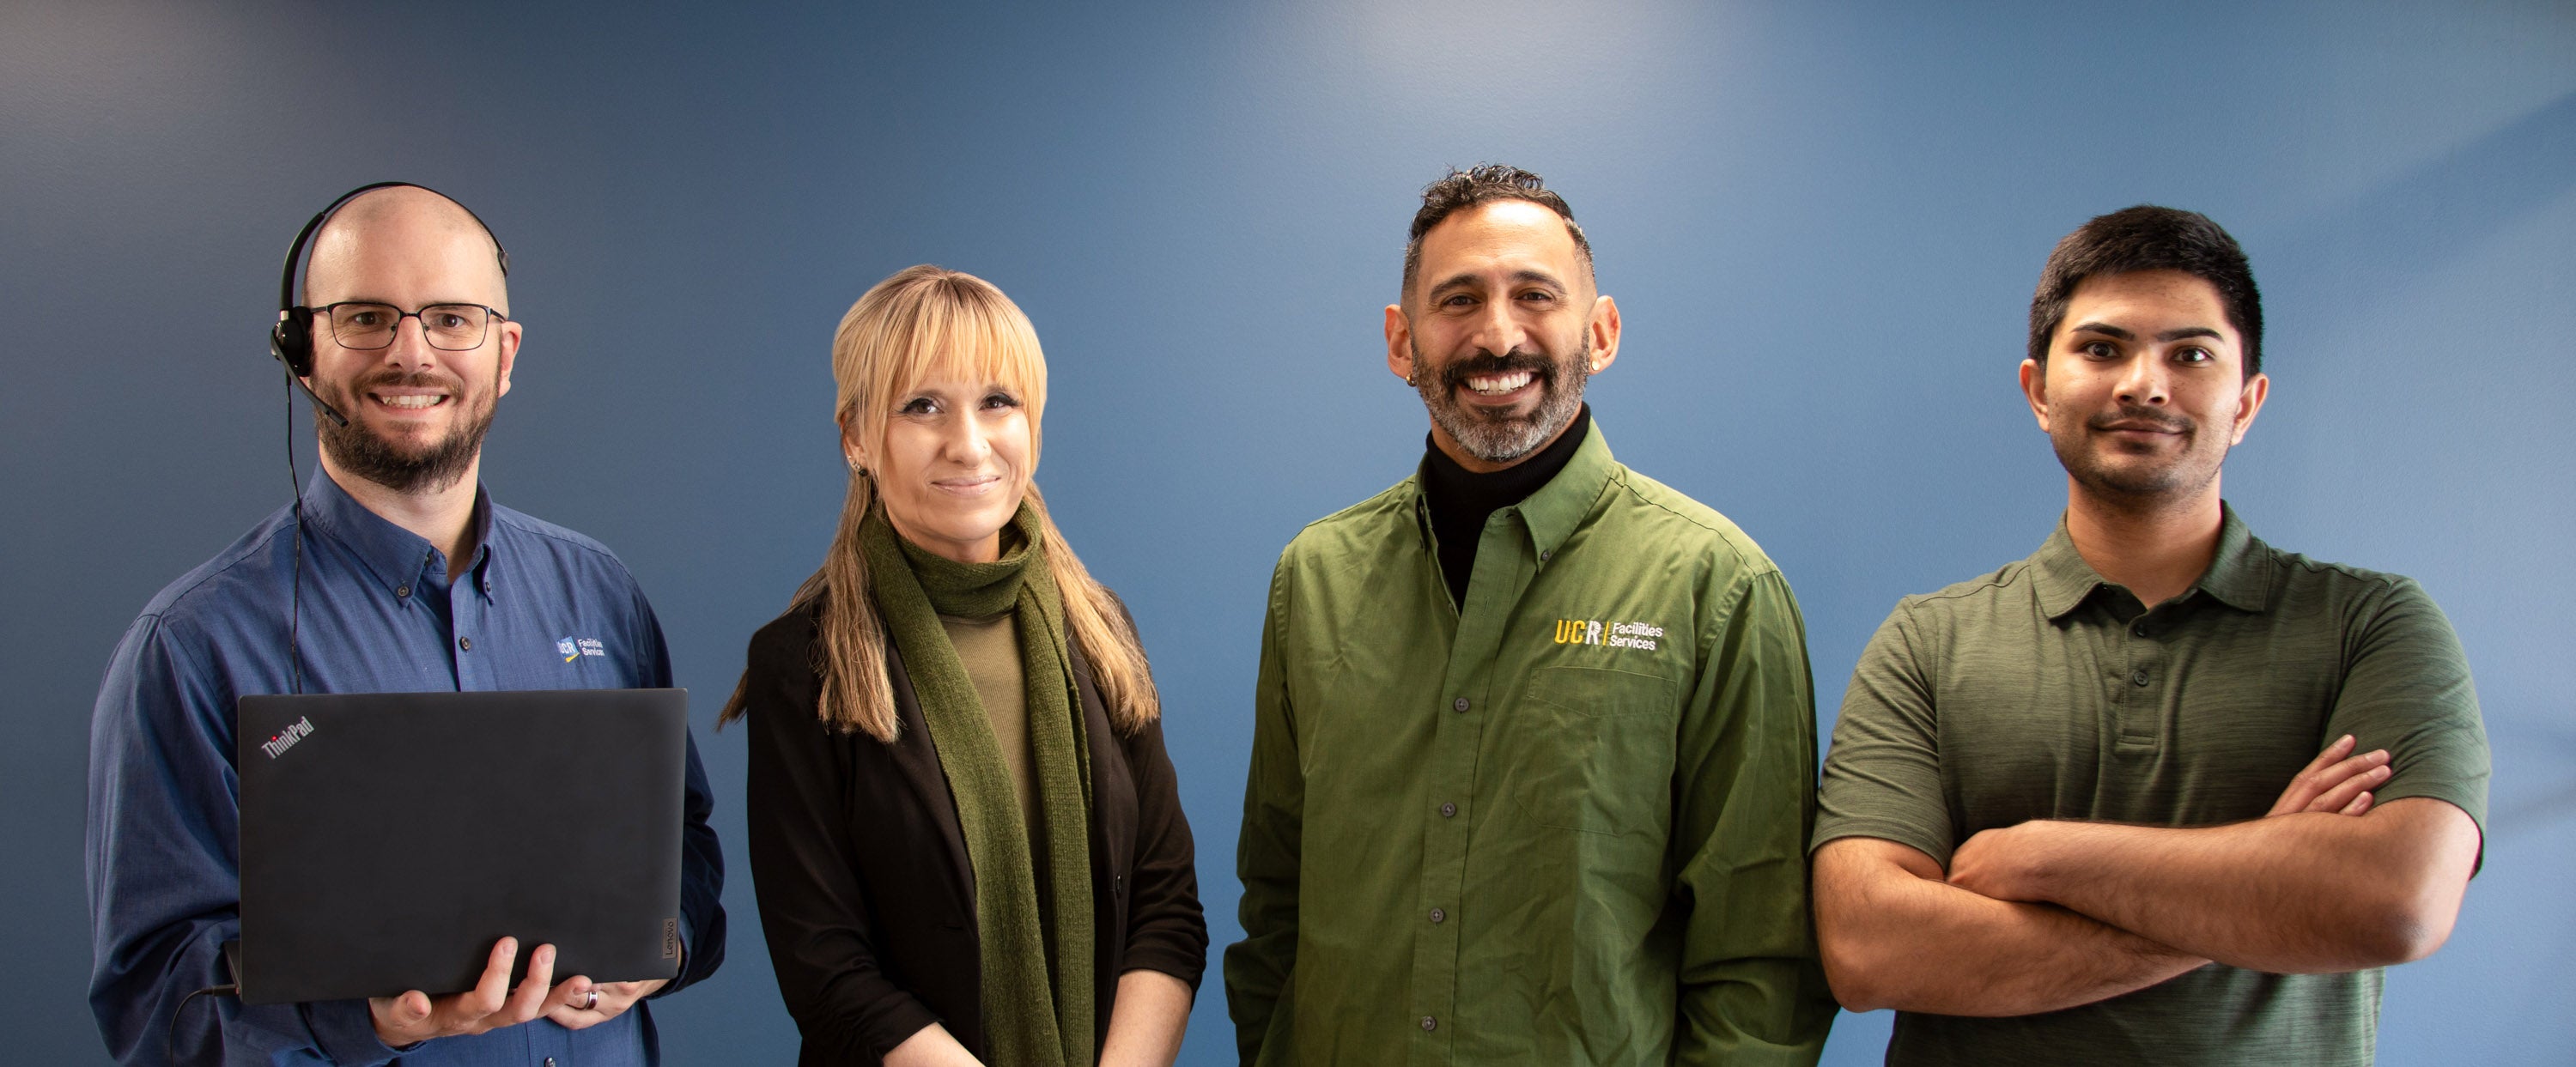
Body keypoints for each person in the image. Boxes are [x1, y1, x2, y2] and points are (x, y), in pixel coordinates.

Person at [1809, 205, 2489, 1064]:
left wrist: (2042, 855)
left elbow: (2397, 902)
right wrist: (2266, 875)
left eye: (2191, 355)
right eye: (2102, 349)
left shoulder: (2372, 624)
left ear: (2247, 402)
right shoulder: (1927, 643)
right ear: (2038, 390)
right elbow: (1869, 948)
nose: (2145, 384)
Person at [85, 184, 726, 1065]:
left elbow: (684, 847)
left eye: (452, 319)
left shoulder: (600, 592)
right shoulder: (193, 647)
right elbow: (156, 999)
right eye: (366, 318)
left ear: (504, 354)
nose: (411, 353)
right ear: (301, 350)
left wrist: (661, 945)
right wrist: (365, 1019)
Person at [1224, 165, 1837, 1065]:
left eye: (1535, 295)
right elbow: (1277, 905)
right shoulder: (1316, 578)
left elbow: (1761, 966)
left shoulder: (1718, 588)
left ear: (1601, 331)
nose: (1498, 334)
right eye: (1458, 300)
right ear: (1401, 341)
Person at [724, 264, 1205, 1067]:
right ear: (855, 437)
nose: (969, 443)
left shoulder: (1102, 631)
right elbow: (827, 967)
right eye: (922, 405)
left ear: (1033, 425)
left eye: (997, 402)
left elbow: (1166, 909)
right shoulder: (804, 664)